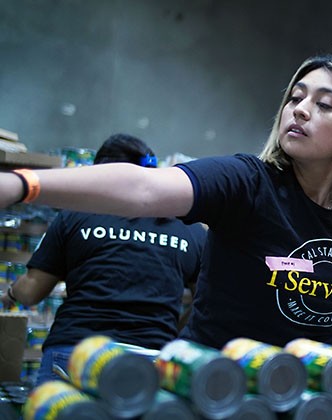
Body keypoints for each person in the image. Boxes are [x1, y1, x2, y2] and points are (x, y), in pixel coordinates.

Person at [0, 54, 332, 351]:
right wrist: (25, 185)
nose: (299, 109)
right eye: (295, 98)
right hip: (214, 390)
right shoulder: (247, 183)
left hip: (302, 396)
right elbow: (144, 188)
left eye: (324, 104)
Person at [1, 134, 206, 384]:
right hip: (149, 359)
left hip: (76, 353)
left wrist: (11, 294)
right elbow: (204, 300)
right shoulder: (190, 229)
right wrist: (172, 332)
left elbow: (31, 291)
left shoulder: (75, 216)